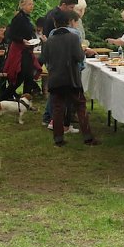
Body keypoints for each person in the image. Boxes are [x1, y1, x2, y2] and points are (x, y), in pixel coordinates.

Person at [39, 10, 99, 147]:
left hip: (55, 79)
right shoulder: (73, 38)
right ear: (68, 22)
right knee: (80, 107)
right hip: (72, 78)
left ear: (55, 23)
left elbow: (43, 58)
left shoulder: (50, 40)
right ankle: (88, 138)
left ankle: (58, 139)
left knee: (58, 109)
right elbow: (79, 57)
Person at [0, 0, 42, 100]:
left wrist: (33, 40)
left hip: (27, 50)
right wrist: (22, 40)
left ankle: (25, 100)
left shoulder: (27, 18)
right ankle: (4, 96)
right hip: (19, 50)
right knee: (20, 76)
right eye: (29, 4)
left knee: (28, 76)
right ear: (22, 5)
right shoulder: (18, 18)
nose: (31, 6)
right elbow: (10, 34)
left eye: (32, 4)